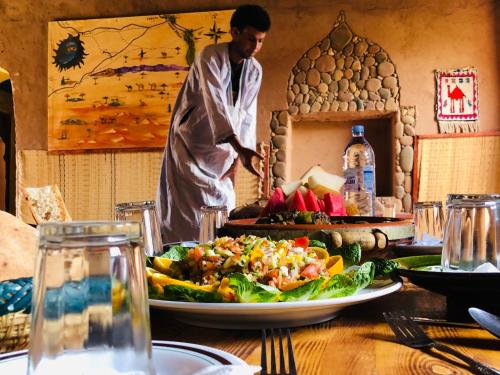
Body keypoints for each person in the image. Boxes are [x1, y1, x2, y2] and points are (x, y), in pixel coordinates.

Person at [156, 4, 271, 243]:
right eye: (251, 39)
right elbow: (215, 102)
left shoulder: (255, 70)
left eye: (260, 41)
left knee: (221, 212)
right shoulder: (209, 56)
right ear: (235, 32)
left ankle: (216, 261)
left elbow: (247, 116)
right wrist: (239, 148)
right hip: (189, 147)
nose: (255, 47)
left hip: (224, 153)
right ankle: (180, 263)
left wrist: (238, 159)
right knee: (185, 217)